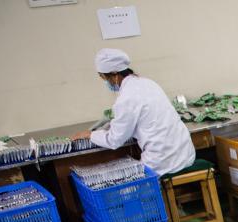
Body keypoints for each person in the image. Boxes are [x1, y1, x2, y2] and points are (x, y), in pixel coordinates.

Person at [72, 48, 195, 176]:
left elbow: (114, 140)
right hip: (186, 154)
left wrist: (90, 135)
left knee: (130, 181)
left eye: (103, 77)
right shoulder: (148, 83)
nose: (105, 82)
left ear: (114, 74)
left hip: (162, 162)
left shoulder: (126, 98)